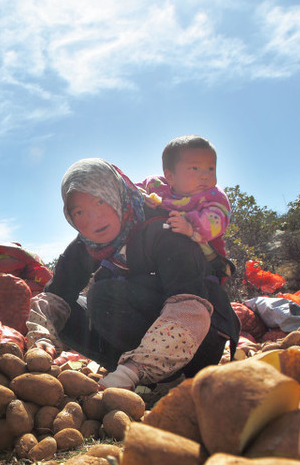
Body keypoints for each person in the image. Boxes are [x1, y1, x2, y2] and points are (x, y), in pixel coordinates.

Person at [27, 159, 239, 389]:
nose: (94, 219)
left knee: (102, 295)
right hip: (138, 337)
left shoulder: (165, 228)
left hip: (199, 339)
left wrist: (135, 370)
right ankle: (130, 372)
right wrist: (40, 339)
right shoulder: (86, 246)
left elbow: (191, 307)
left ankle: (163, 378)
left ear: (116, 194)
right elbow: (55, 295)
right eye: (79, 212)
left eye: (100, 201)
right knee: (65, 310)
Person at [137, 135, 234, 278]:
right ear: (170, 177)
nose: (205, 175)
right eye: (194, 168)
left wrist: (190, 227)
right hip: (165, 252)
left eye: (211, 168)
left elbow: (216, 219)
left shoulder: (213, 196)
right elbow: (130, 189)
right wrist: (142, 196)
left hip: (207, 260)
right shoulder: (156, 185)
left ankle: (208, 287)